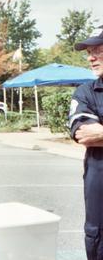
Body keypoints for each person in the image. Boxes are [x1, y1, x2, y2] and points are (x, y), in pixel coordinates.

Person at [70, 27, 103, 260]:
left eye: (99, 51)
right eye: (89, 52)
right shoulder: (85, 92)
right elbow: (84, 134)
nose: (91, 57)